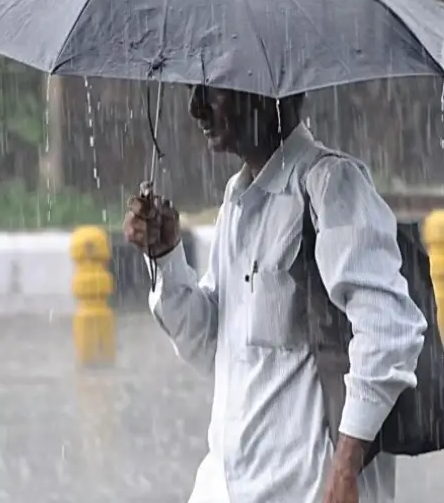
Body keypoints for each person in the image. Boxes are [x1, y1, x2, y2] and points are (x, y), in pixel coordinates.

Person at [123, 86, 427, 503]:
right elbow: (215, 347)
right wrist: (167, 257)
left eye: (211, 89)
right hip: (226, 486)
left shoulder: (329, 185)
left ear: (263, 92)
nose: (196, 107)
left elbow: (390, 329)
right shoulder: (238, 199)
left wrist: (345, 468)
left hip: (304, 488)